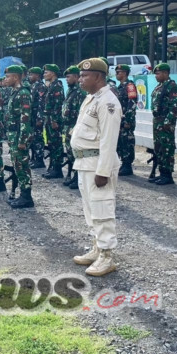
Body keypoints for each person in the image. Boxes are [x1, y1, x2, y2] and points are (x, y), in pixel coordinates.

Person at [70, 58, 121, 277]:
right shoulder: (91, 98)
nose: (80, 79)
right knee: (90, 210)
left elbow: (109, 141)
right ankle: (97, 248)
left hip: (98, 164)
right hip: (84, 162)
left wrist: (103, 172)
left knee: (102, 209)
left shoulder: (108, 102)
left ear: (98, 77)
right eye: (80, 75)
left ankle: (107, 256)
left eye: (85, 76)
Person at [3, 65, 34, 208]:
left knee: (22, 165)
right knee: (17, 164)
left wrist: (22, 140)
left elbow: (25, 118)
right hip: (13, 135)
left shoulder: (23, 93)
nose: (5, 79)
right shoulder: (14, 92)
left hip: (19, 136)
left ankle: (26, 197)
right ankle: (23, 194)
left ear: (16, 77)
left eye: (8, 76)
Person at [149, 63, 177, 185]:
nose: (156, 76)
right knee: (159, 148)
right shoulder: (159, 87)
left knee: (167, 148)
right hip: (157, 121)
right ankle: (162, 173)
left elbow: (174, 106)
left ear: (166, 73)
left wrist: (168, 121)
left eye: (158, 73)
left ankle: (167, 174)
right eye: (155, 73)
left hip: (166, 122)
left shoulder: (171, 86)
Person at [62, 65, 87, 189]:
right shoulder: (70, 91)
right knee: (70, 153)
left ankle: (78, 178)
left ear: (76, 77)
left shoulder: (80, 92)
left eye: (68, 77)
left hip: (74, 126)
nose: (66, 79)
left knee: (76, 153)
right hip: (68, 126)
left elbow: (80, 113)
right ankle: (74, 177)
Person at [42, 64, 65, 179]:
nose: (44, 74)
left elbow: (58, 105)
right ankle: (52, 167)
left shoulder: (57, 86)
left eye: (47, 72)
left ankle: (57, 169)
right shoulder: (51, 85)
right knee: (51, 144)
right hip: (49, 120)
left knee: (56, 144)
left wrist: (55, 120)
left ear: (53, 73)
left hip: (54, 120)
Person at [115, 64, 138, 176]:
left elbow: (132, 103)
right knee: (121, 142)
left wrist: (128, 120)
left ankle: (127, 165)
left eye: (118, 72)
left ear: (124, 73)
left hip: (126, 120)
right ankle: (123, 163)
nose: (116, 74)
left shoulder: (130, 86)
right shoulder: (120, 87)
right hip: (119, 120)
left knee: (127, 141)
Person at [28, 67, 47, 169]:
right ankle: (35, 158)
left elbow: (41, 103)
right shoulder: (33, 86)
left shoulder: (41, 87)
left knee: (38, 138)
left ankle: (39, 160)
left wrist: (40, 118)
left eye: (32, 74)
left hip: (37, 117)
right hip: (32, 117)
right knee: (33, 138)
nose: (30, 76)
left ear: (37, 76)